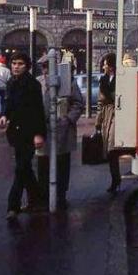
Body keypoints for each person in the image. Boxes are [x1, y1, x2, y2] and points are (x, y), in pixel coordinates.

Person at [0, 52, 47, 219]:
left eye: (20, 64)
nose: (16, 66)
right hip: (16, 133)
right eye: (14, 63)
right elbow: (8, 103)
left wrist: (38, 134)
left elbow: (38, 111)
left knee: (20, 168)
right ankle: (38, 199)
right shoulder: (11, 82)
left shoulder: (32, 85)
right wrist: (4, 115)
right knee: (25, 169)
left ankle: (13, 206)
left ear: (27, 66)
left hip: (29, 131)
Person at [35, 54, 84, 210]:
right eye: (42, 67)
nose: (45, 70)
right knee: (43, 164)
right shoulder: (37, 83)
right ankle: (43, 196)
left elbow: (78, 103)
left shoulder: (67, 81)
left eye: (47, 66)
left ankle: (61, 195)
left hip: (63, 130)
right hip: (43, 129)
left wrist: (68, 119)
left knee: (62, 164)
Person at [95, 54, 133, 194]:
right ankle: (115, 180)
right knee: (111, 152)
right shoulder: (103, 80)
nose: (104, 66)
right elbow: (100, 102)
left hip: (119, 115)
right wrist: (98, 122)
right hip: (107, 116)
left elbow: (121, 96)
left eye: (105, 64)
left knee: (112, 149)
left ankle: (117, 180)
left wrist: (111, 97)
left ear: (111, 66)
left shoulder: (121, 78)